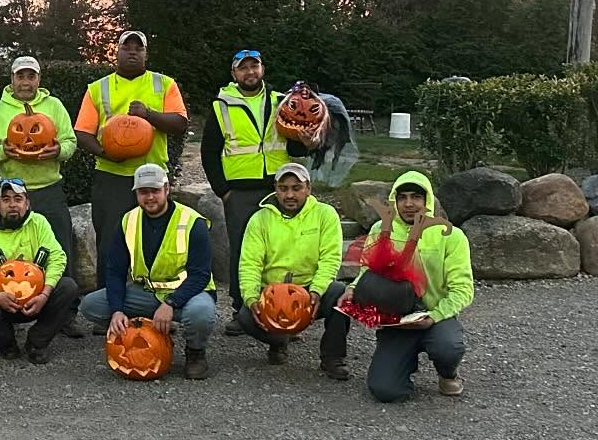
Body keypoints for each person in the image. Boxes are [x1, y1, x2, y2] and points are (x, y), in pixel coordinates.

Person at [79, 164, 215, 380]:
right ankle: (146, 330)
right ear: (136, 194)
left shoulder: (192, 222)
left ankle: (195, 352)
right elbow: (114, 271)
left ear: (167, 189)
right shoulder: (127, 221)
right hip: (145, 293)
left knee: (201, 314)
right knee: (91, 305)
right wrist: (116, 310)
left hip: (186, 295)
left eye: (155, 190)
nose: (150, 197)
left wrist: (171, 304)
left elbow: (201, 275)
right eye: (143, 192)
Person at [0, 55, 83, 339]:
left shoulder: (54, 106)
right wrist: (3, 152)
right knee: (1, 253)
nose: (25, 82)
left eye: (31, 76)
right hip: (11, 191)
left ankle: (66, 314)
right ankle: (4, 309)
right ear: (11, 79)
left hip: (47, 188)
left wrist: (58, 150)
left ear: (39, 79)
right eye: (20, 76)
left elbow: (71, 142)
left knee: (61, 250)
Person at [347, 172, 473, 402]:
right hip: (396, 321)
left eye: (416, 197)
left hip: (435, 316)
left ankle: (448, 373)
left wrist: (434, 316)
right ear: (395, 200)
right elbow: (368, 270)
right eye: (402, 197)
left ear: (427, 201)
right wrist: (353, 289)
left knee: (448, 347)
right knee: (385, 391)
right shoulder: (380, 229)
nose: (409, 204)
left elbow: (464, 290)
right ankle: (401, 361)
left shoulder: (453, 237)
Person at [74, 31, 188, 278]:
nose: (133, 52)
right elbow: (82, 132)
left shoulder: (164, 84)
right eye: (127, 47)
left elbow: (180, 124)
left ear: (146, 53)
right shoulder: (98, 88)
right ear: (117, 51)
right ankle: (107, 302)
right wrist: (105, 153)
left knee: (155, 241)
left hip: (153, 175)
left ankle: (152, 300)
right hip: (112, 175)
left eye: (139, 48)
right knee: (110, 242)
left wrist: (148, 114)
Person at [201, 49, 295, 333]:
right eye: (243, 68)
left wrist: (307, 138)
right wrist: (223, 191)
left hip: (276, 187)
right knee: (242, 250)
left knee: (278, 249)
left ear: (262, 69)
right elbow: (209, 152)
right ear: (234, 74)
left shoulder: (282, 101)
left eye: (254, 66)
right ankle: (241, 309)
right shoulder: (222, 105)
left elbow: (296, 145)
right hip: (239, 191)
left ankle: (282, 308)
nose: (250, 72)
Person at [235, 163, 349, 378]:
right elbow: (250, 263)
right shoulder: (259, 219)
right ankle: (279, 341)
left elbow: (330, 258)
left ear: (308, 188)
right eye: (283, 188)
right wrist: (250, 298)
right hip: (272, 291)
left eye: (296, 188)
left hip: (310, 287)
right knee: (245, 317)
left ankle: (333, 358)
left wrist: (316, 291)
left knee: (340, 294)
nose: (289, 194)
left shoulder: (325, 215)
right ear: (275, 189)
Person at [0, 179, 81, 364]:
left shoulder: (39, 223)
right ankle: (6, 343)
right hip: (1, 302)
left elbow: (57, 257)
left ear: (27, 204)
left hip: (37, 299)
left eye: (18, 199)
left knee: (68, 287)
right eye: (6, 199)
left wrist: (44, 293)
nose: (12, 205)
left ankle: (37, 342)